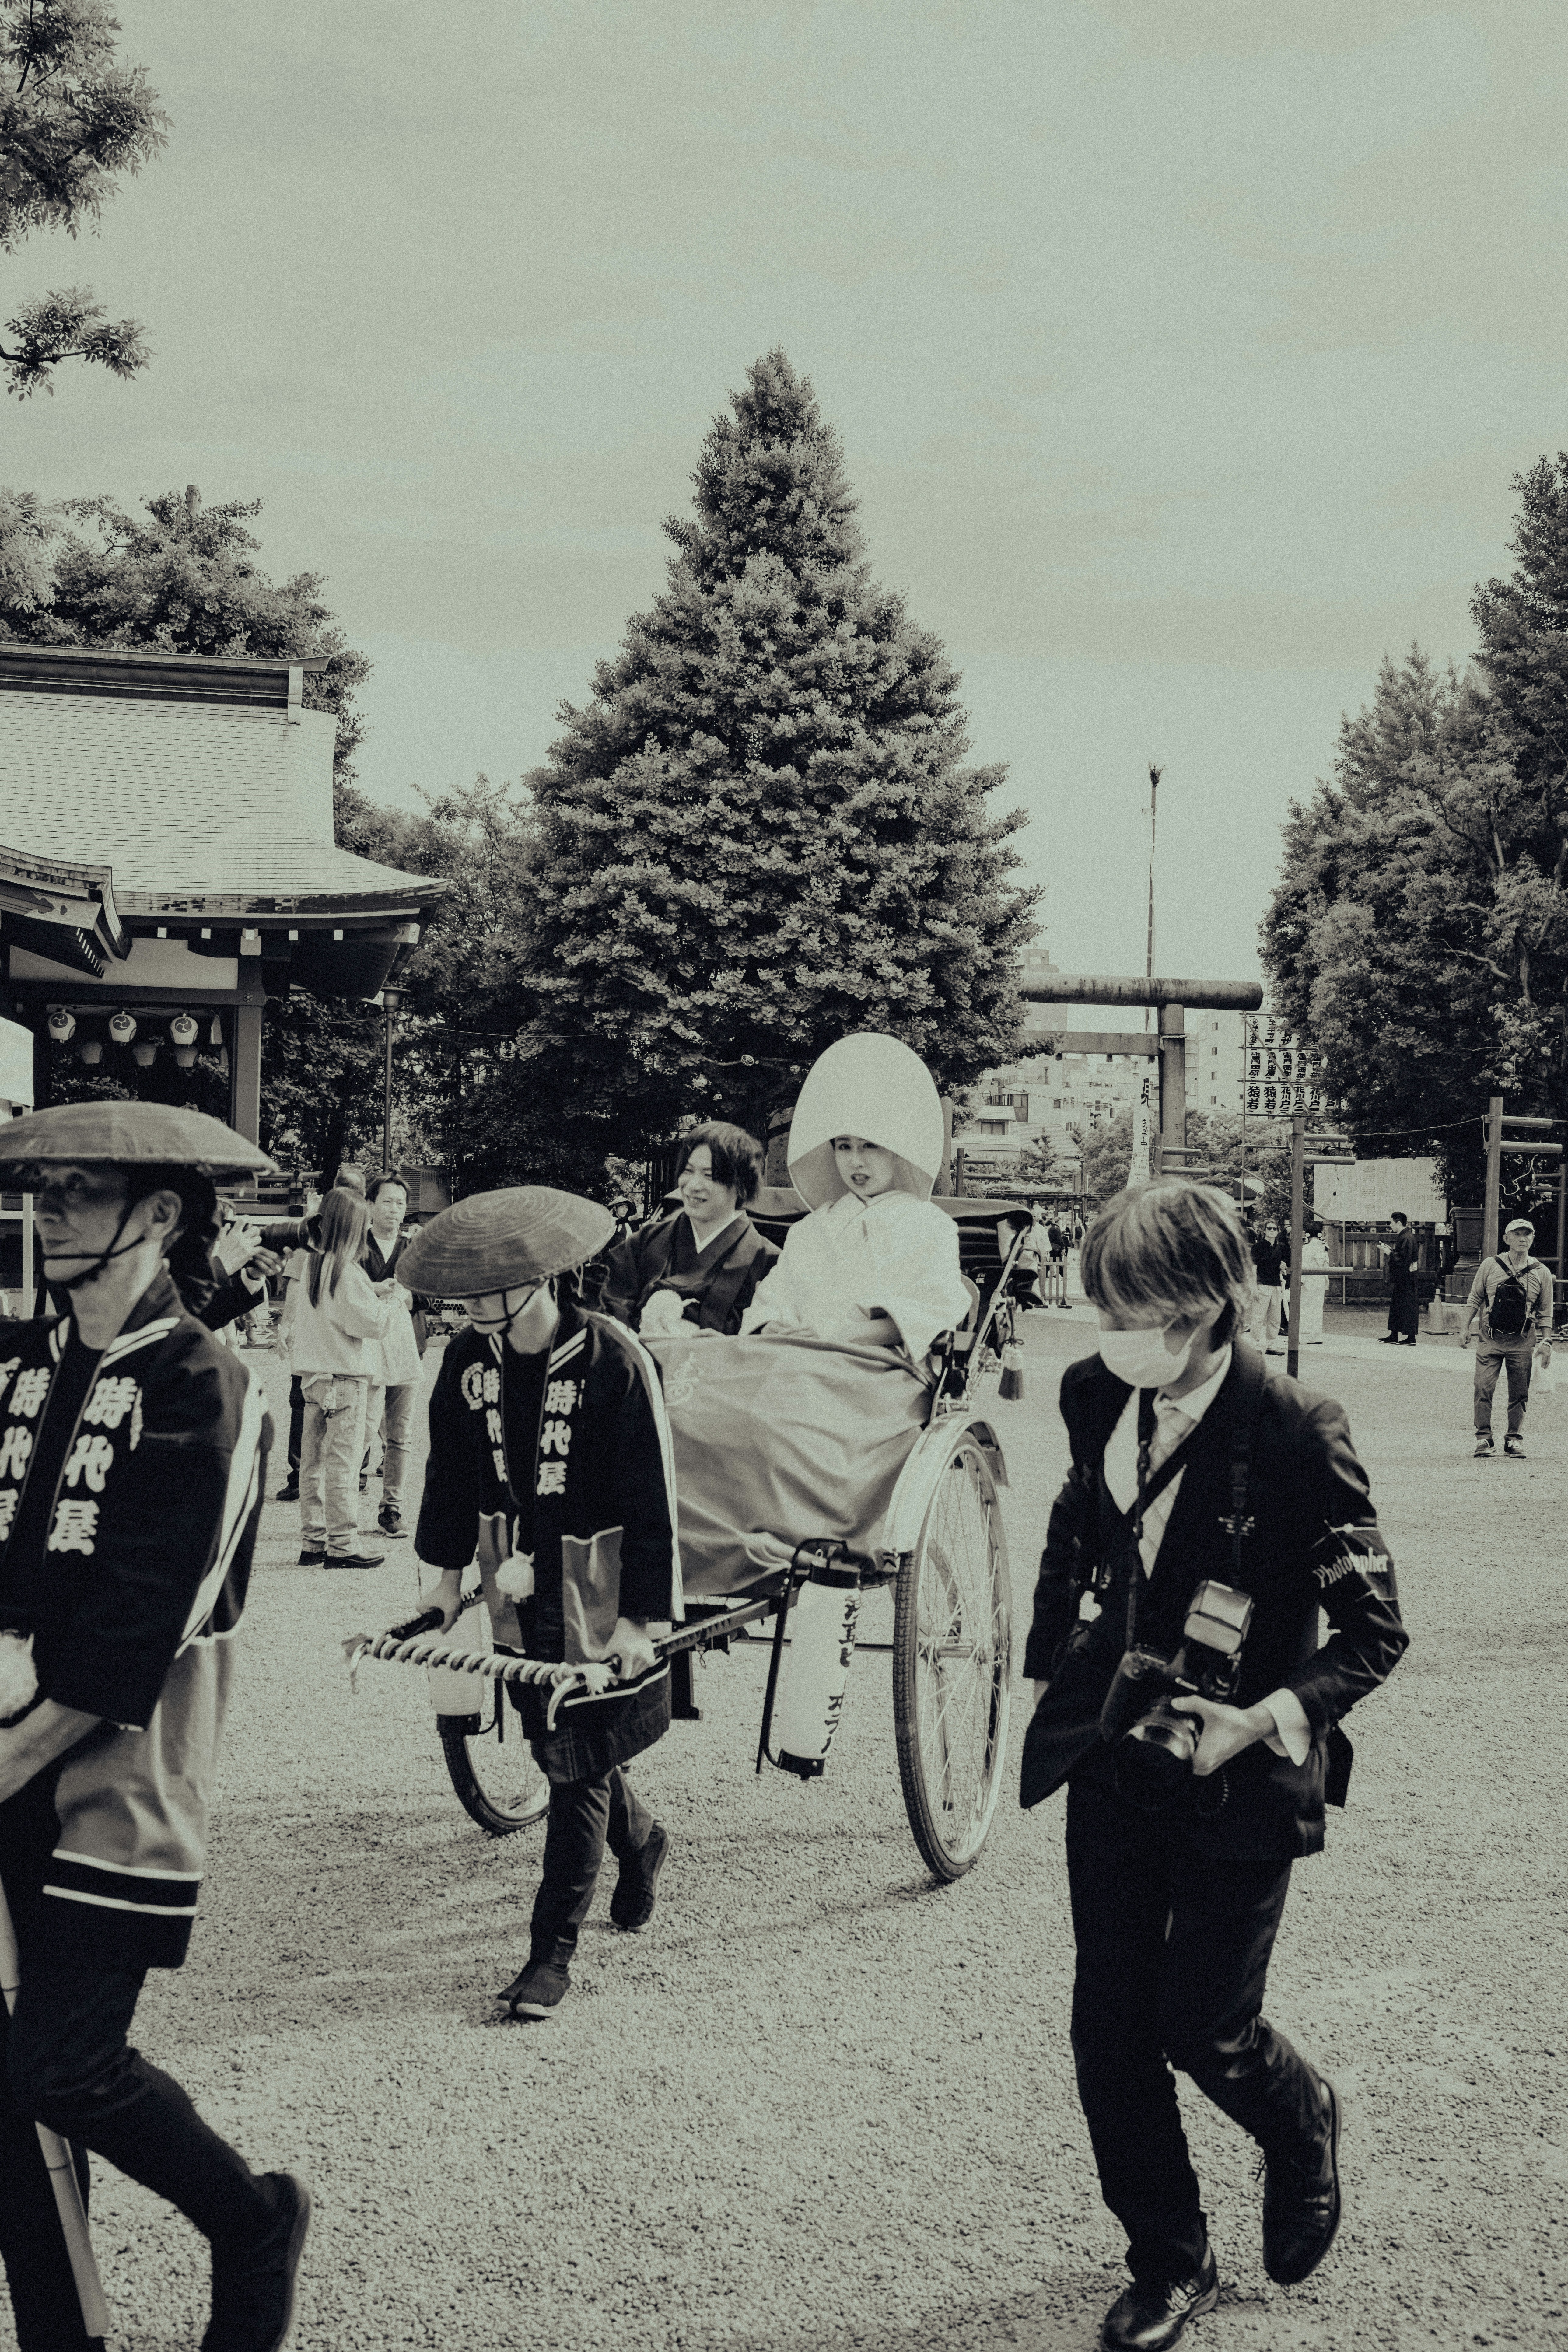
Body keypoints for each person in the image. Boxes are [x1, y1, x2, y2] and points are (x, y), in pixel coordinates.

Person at [1020, 1181, 1407, 2350]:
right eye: (1102, 1304)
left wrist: (1265, 1717)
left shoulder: (1296, 1427)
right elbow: (1079, 1518)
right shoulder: (1096, 1391)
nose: (1109, 1329)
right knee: (1109, 2022)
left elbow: (1374, 1632)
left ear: (1203, 1305)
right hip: (1117, 1750)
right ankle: (1167, 2254)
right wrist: (1048, 1660)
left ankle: (1301, 2119)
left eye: (1131, 1306)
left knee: (1206, 2023)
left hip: (1241, 1760)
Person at [0, 1102, 309, 2352]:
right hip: (11, 1751)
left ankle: (254, 2221)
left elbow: (143, 1625)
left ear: (162, 1217)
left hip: (115, 1777)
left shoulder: (206, 1383)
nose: (49, 1206)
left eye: (81, 1188)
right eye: (44, 1185)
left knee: (63, 2069)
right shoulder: (23, 1361)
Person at [403, 1188, 681, 2021]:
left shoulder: (613, 1359)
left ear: (543, 1278)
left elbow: (652, 1496)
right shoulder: (466, 1361)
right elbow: (449, 1473)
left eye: (493, 1287)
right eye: (468, 1290)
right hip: (512, 1579)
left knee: (576, 1759)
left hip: (596, 1583)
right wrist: (445, 1583)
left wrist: (642, 1619)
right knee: (562, 1747)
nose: (476, 1303)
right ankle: (643, 1841)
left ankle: (550, 1953)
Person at [742, 1034, 969, 1358]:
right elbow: (774, 1298)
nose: (855, 1161)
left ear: (896, 1153)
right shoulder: (810, 1228)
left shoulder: (930, 1225)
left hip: (881, 1365)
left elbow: (933, 1310)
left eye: (869, 1146)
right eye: (844, 1146)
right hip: (796, 1354)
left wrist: (836, 1335)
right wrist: (772, 1325)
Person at [290, 1189, 396, 1570]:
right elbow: (371, 1324)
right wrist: (394, 1300)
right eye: (364, 1220)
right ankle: (343, 1544)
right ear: (351, 1226)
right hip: (345, 1379)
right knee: (344, 1465)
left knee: (313, 1464)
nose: (369, 1224)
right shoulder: (347, 1270)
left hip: (314, 1378)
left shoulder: (314, 1265)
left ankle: (313, 1541)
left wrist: (373, 1292)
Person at [601, 1124, 779, 1337]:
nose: (693, 1185)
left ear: (740, 1185)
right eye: (688, 1171)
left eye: (709, 1175)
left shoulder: (768, 1262)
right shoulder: (646, 1242)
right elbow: (605, 1302)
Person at [359, 1175, 431, 1538]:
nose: (394, 1209)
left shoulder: (413, 1250)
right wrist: (372, 1290)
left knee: (401, 1435)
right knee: (361, 1430)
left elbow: (429, 1296)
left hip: (406, 1350)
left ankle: (392, 1507)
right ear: (370, 1205)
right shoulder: (356, 1247)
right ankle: (342, 1508)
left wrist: (410, 1297)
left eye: (400, 1203)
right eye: (387, 1202)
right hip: (364, 1351)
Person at [1460, 1216, 1554, 1460]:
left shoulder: (1542, 1273)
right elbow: (1475, 1298)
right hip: (1491, 1338)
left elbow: (1546, 1312)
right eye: (1517, 1234)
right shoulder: (1490, 1265)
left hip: (1523, 1340)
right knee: (1483, 1386)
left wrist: (1547, 1342)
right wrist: (1464, 1328)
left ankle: (1514, 1439)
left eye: (1528, 1234)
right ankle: (1484, 1438)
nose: (1523, 1239)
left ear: (1533, 1239)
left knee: (1520, 1392)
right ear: (1507, 1239)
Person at [1379, 1212, 1419, 1346]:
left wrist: (1389, 1253)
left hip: (1406, 1278)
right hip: (1405, 1278)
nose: (1391, 1226)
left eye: (1392, 1223)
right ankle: (1394, 1335)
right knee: (1398, 1306)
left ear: (1399, 1223)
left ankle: (1411, 1337)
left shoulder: (1407, 1237)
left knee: (1407, 1306)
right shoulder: (1406, 1236)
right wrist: (1391, 1251)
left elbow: (1403, 1259)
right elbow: (1401, 1255)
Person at [1250, 1216, 1287, 1355]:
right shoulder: (1258, 1247)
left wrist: (1283, 1266)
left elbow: (1282, 1266)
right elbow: (1253, 1268)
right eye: (1269, 1228)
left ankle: (1271, 1345)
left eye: (1274, 1229)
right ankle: (1256, 1346)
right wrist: (1253, 1287)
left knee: (1275, 1318)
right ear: (1264, 1231)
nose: (1272, 1231)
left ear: (1278, 1231)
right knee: (1259, 1317)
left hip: (1277, 1285)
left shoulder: (1280, 1247)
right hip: (1262, 1284)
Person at [1296, 1219, 1330, 1347]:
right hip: (1320, 1281)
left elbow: (1304, 1265)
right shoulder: (1323, 1247)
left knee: (1305, 1308)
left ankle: (1303, 1336)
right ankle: (1316, 1335)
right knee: (1317, 1308)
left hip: (1309, 1281)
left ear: (1308, 1234)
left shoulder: (1308, 1248)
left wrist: (1301, 1281)